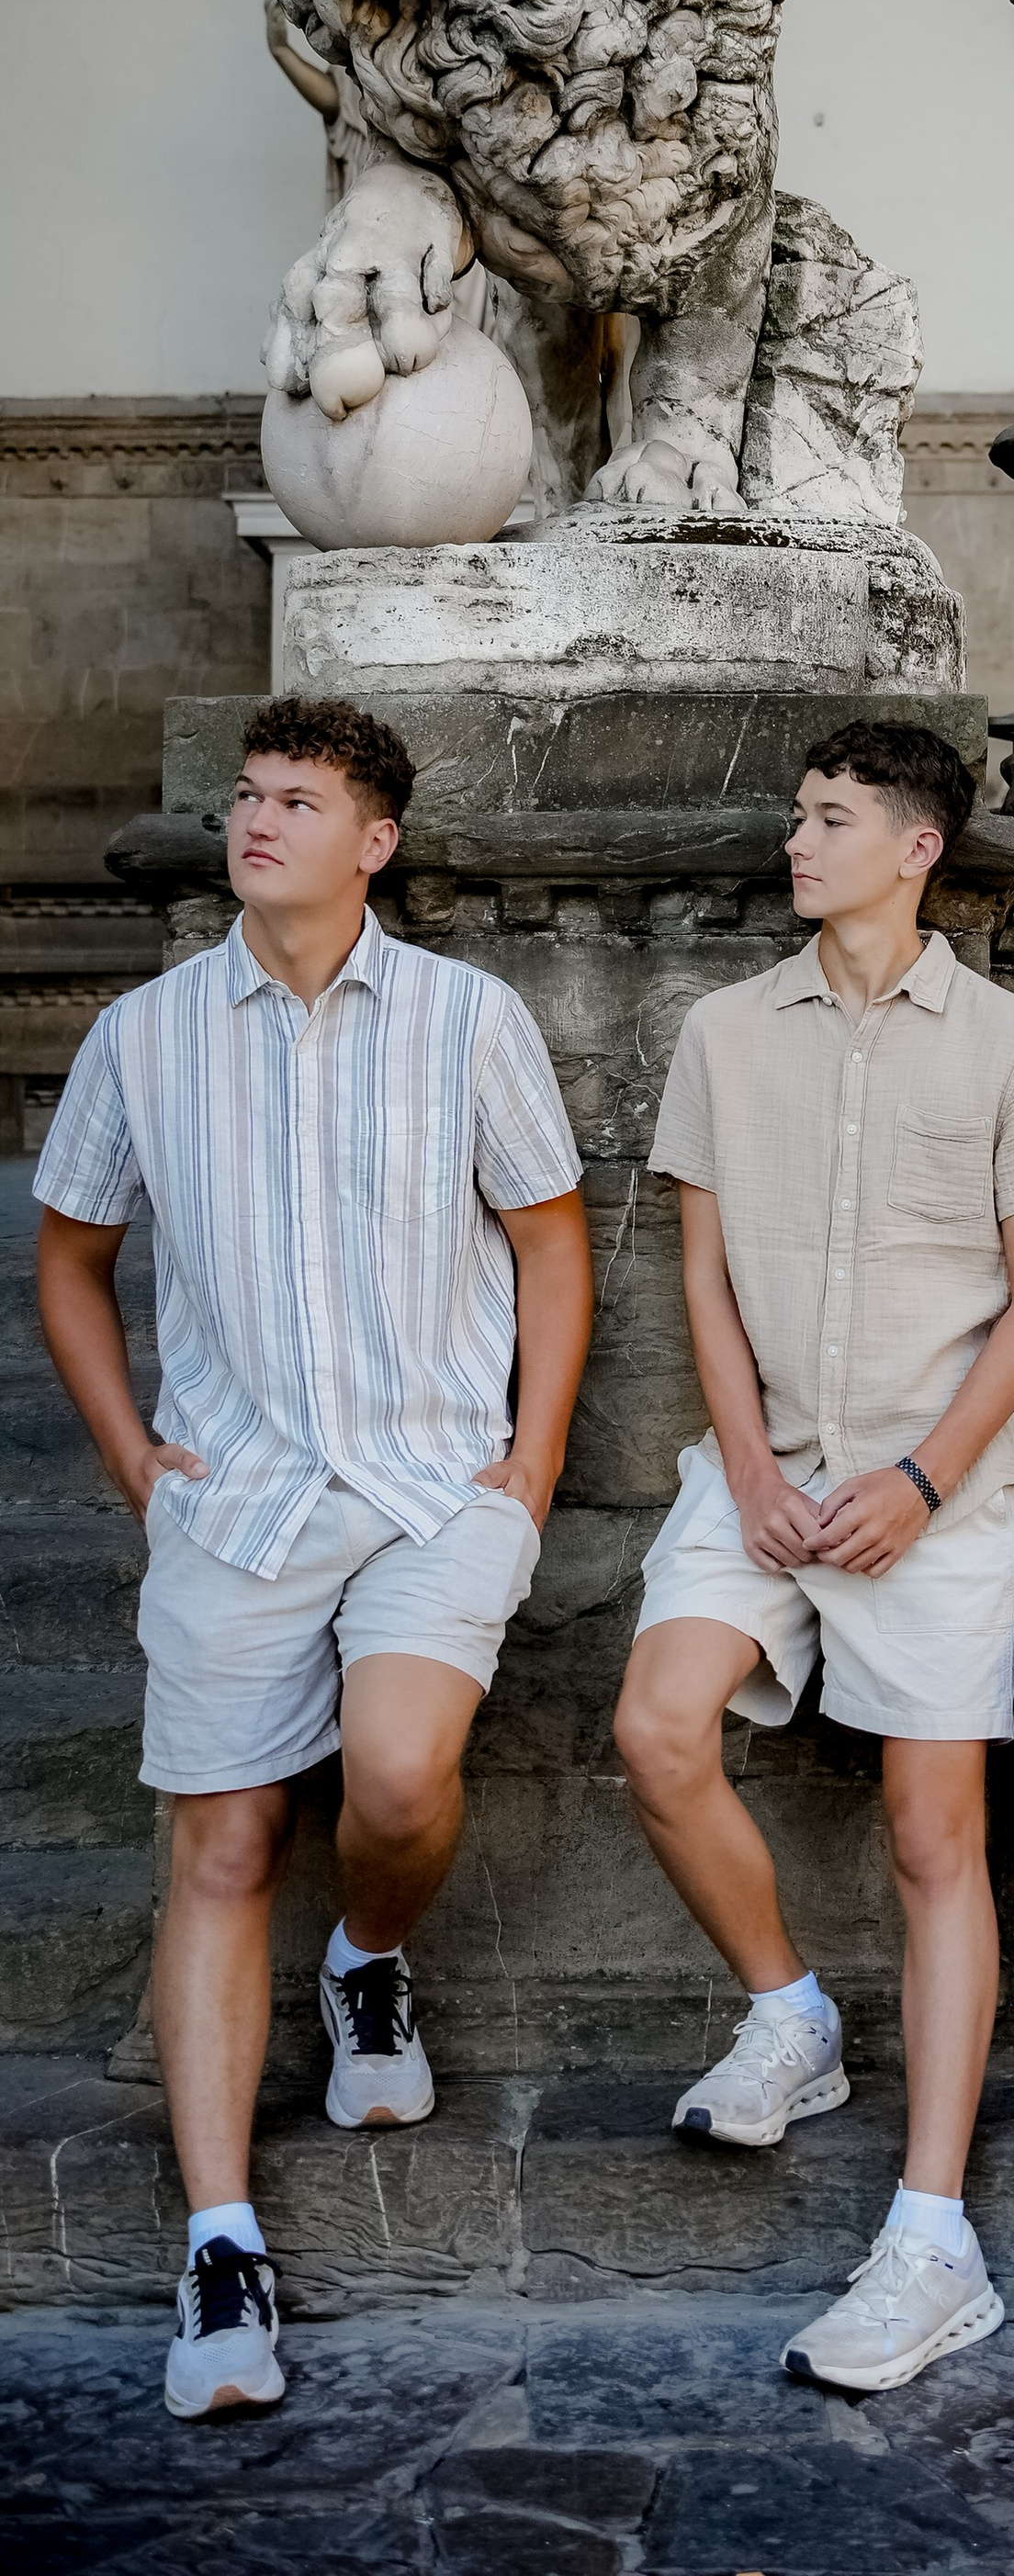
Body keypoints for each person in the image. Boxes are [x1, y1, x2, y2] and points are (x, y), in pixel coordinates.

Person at [34, 698, 591, 2422]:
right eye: (246, 796)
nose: (257, 821)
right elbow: (69, 1259)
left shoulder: (466, 1020)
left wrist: (535, 1459)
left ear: (376, 842)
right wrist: (134, 1456)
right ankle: (222, 2246)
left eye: (299, 800)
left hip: (432, 1484)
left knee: (403, 1781)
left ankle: (365, 1956)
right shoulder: (141, 1035)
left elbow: (553, 1244)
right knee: (217, 1842)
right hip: (237, 1501)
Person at [612, 722, 1014, 2396]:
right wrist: (747, 1465)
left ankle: (932, 2232)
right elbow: (700, 1279)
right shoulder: (723, 1032)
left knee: (929, 1834)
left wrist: (927, 1473)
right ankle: (793, 2013)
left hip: (936, 1495)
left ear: (916, 848)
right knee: (656, 1731)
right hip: (765, 1471)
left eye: (829, 820)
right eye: (796, 815)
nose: (796, 842)